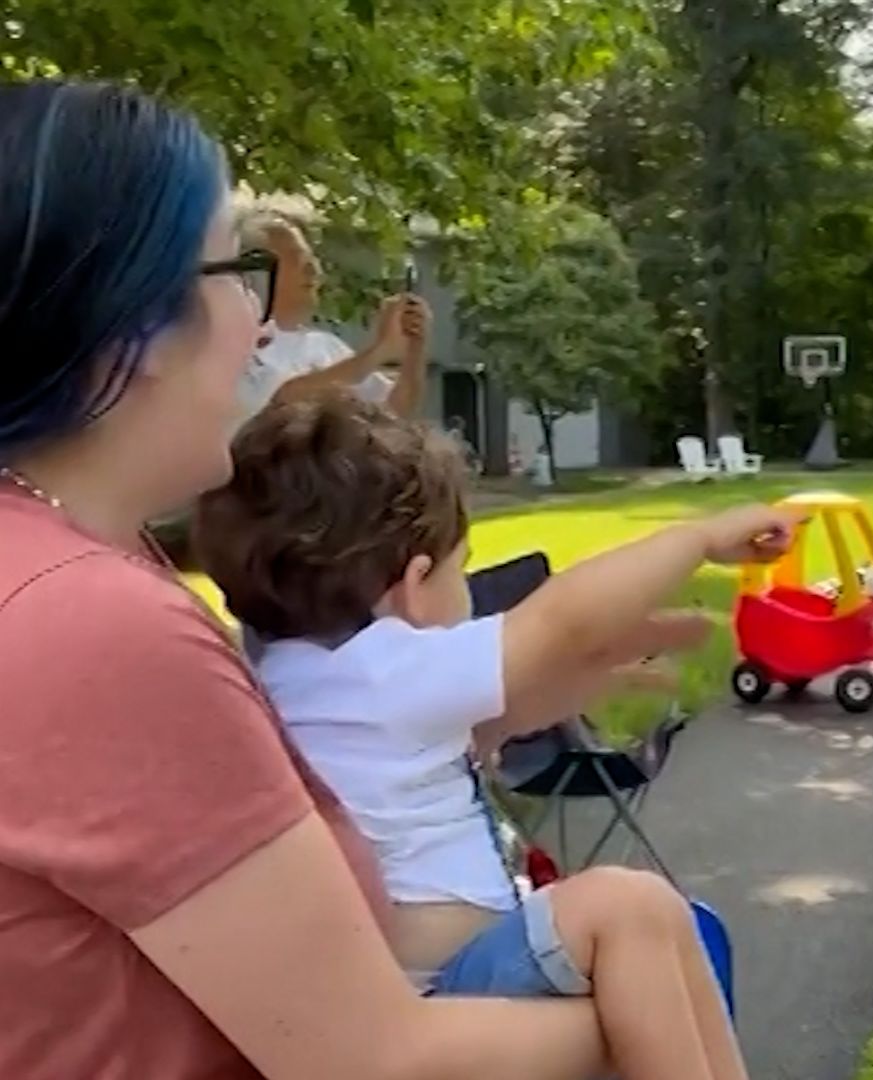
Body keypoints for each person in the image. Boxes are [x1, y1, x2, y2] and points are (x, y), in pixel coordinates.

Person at [0, 78, 790, 1080]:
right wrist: (655, 1012)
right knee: (641, 913)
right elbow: (371, 1062)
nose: (260, 329)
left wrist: (500, 716)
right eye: (240, 273)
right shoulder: (88, 620)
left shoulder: (77, 561)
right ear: (128, 330)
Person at [193, 392, 785, 1080]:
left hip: (390, 993)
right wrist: (700, 540)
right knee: (634, 906)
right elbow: (564, 621)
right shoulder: (388, 667)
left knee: (650, 919)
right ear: (416, 586)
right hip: (449, 992)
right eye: (462, 568)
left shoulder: (278, 669)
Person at [234, 207, 430, 427]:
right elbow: (285, 400)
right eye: (296, 258)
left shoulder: (326, 348)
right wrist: (379, 351)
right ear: (257, 270)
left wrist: (414, 348)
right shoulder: (234, 345)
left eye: (312, 259)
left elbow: (393, 411)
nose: (313, 270)